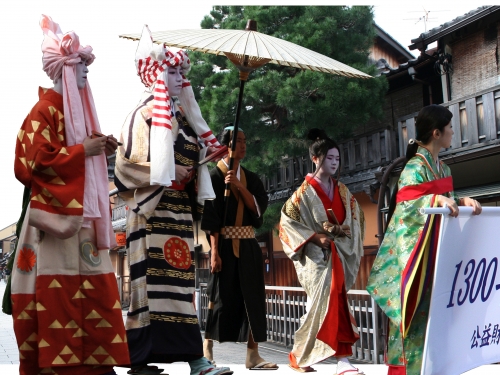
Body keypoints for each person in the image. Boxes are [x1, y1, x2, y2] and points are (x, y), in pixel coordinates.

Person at [10, 15, 130, 375]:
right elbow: (30, 164)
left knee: (90, 288)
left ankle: (95, 365)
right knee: (57, 292)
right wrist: (85, 151)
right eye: (81, 67)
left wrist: (96, 147)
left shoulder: (71, 113)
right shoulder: (42, 112)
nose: (85, 74)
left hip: (79, 219)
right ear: (63, 68)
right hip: (52, 220)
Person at [114, 25, 231, 375]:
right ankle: (141, 359)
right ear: (158, 74)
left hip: (178, 214)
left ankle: (195, 358)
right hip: (150, 215)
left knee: (181, 287)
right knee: (149, 287)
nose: (180, 78)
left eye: (182, 72)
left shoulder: (183, 120)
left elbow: (190, 161)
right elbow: (125, 167)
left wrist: (202, 164)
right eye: (173, 71)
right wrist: (165, 174)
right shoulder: (143, 115)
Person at [366, 104, 482, 375]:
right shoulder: (413, 169)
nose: (453, 131)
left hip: (437, 259)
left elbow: (447, 206)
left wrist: (461, 202)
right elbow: (406, 210)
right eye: (450, 127)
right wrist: (433, 199)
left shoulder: (444, 169)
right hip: (417, 263)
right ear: (436, 132)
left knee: (440, 324)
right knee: (415, 324)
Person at [279, 128, 366, 374]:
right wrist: (315, 237)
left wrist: (342, 231)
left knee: (332, 302)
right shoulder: (303, 194)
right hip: (318, 258)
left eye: (337, 159)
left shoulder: (343, 190)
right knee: (325, 304)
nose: (335, 163)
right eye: (330, 158)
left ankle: (305, 357)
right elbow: (286, 223)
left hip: (338, 252)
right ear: (315, 159)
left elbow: (357, 217)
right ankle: (339, 360)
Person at [201, 127, 278, 370]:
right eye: (238, 142)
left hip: (248, 245)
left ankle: (253, 354)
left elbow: (258, 213)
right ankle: (207, 350)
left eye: (245, 141)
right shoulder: (213, 177)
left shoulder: (251, 178)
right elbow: (210, 218)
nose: (243, 145)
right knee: (218, 297)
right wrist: (214, 252)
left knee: (253, 298)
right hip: (223, 245)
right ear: (226, 147)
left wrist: (238, 186)